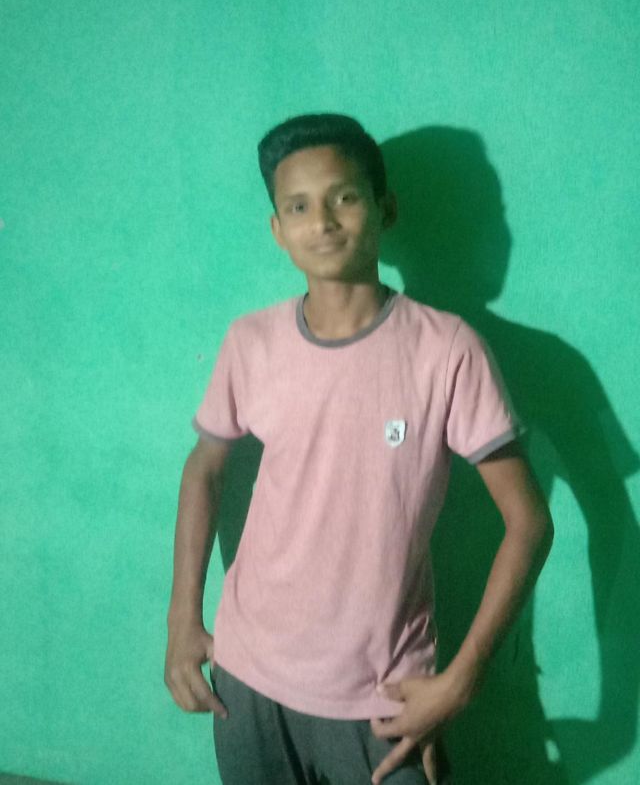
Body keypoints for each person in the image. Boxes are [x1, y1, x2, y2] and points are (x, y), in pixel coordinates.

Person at [164, 114, 554, 784]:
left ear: (384, 208)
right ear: (277, 229)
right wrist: (181, 618)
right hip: (248, 677)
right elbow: (203, 470)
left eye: (343, 197)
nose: (322, 221)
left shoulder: (446, 350)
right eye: (298, 206)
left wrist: (462, 679)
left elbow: (529, 522)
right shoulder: (251, 342)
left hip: (382, 696)